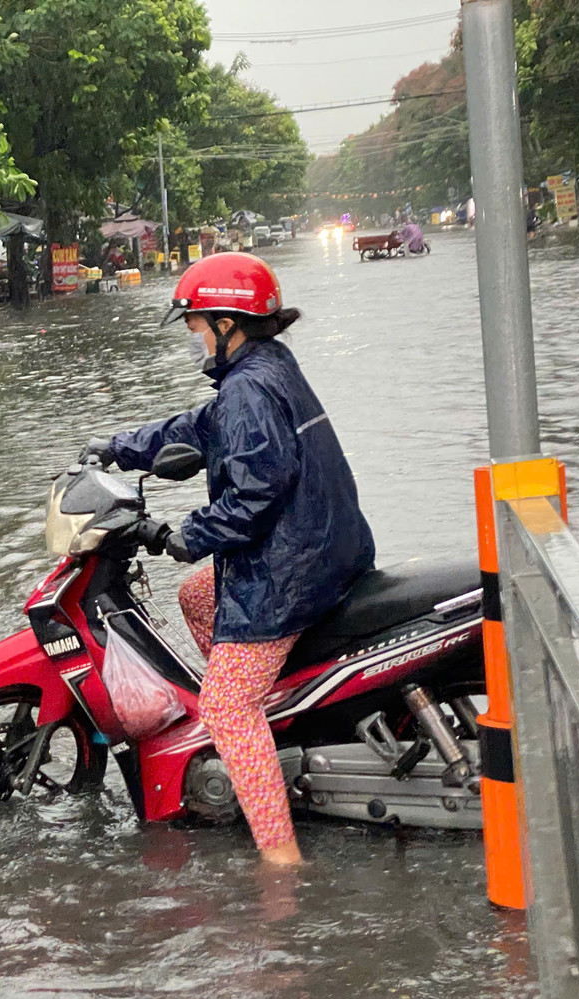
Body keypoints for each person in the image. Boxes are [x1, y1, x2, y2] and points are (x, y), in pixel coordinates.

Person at [96, 253, 375, 866]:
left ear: (227, 324)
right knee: (196, 596)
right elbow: (200, 428)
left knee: (224, 708)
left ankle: (281, 859)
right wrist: (119, 447)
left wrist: (186, 535)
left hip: (290, 572)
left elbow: (255, 493)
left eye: (197, 325)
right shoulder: (265, 367)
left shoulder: (248, 388)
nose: (194, 337)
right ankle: (272, 720)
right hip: (324, 548)